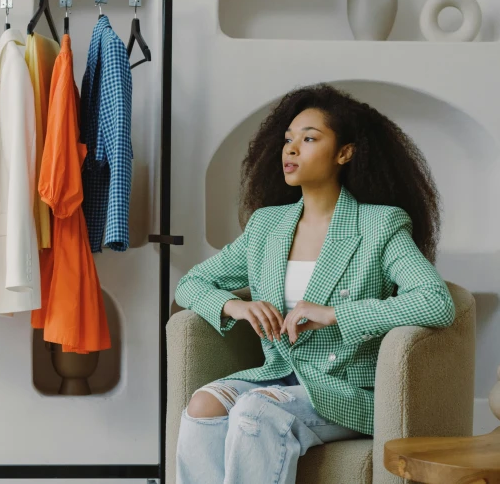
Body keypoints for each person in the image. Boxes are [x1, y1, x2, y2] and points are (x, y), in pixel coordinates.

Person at [174, 83, 456, 484]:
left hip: (345, 390)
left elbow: (435, 302)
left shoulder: (379, 225)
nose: (291, 149)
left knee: (254, 409)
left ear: (345, 152)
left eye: (309, 139)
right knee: (203, 405)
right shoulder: (266, 227)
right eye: (288, 140)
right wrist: (236, 306)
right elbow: (191, 283)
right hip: (278, 376)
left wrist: (334, 314)